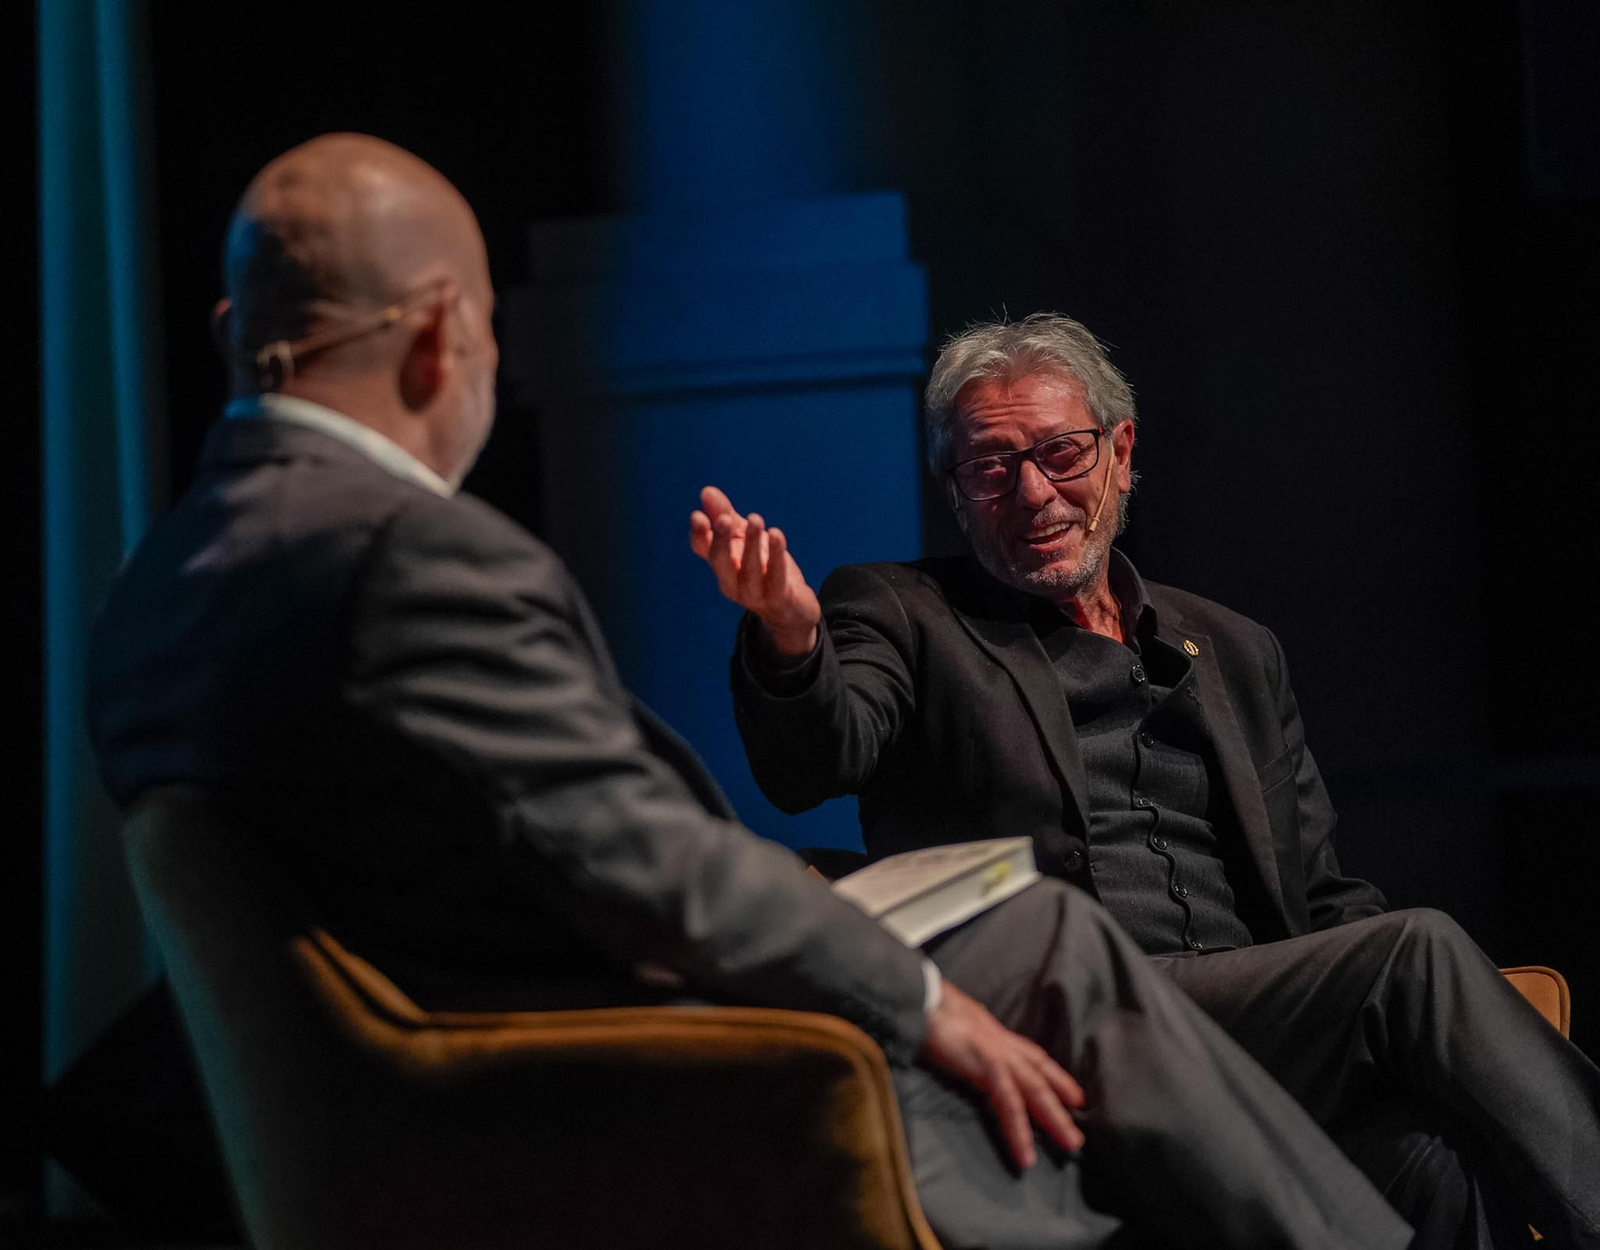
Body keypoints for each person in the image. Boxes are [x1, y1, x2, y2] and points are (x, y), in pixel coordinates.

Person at [89, 135, 1416, 1250]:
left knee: (1045, 934)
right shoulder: (410, 553)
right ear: (444, 334)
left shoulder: (156, 585)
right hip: (622, 1077)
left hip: (451, 1057)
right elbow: (653, 873)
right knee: (1037, 963)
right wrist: (924, 1001)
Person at [691, 312, 1600, 1249]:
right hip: (1077, 1016)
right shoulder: (903, 612)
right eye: (992, 468)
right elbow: (814, 763)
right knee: (1417, 953)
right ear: (957, 495)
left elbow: (1324, 901)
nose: (1033, 493)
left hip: (1258, 1031)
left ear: (1122, 453)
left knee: (1432, 1156)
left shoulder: (1238, 649)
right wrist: (792, 639)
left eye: (1061, 453)